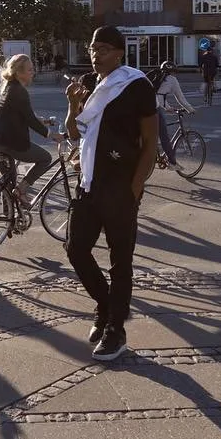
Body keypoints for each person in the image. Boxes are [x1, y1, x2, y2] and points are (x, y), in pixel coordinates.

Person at [64, 26, 158, 362]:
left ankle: (115, 329)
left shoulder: (137, 86)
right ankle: (105, 307)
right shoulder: (91, 85)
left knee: (121, 261)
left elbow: (150, 142)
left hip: (121, 184)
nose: (95, 54)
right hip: (89, 181)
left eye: (103, 49)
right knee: (76, 250)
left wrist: (136, 186)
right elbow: (74, 132)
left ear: (119, 52)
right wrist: (74, 104)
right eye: (92, 48)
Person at [0, 54, 56, 205]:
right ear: (19, 72)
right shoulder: (19, 90)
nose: (33, 72)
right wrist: (52, 135)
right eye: (30, 70)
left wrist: (42, 120)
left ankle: (9, 220)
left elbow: (21, 112)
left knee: (8, 182)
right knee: (45, 158)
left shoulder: (7, 86)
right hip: (7, 143)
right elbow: (29, 119)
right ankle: (21, 190)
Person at [149, 59, 195, 166]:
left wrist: (168, 107)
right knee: (164, 136)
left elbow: (159, 95)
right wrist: (190, 109)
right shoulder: (172, 80)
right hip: (154, 107)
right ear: (173, 71)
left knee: (155, 132)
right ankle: (172, 163)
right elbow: (180, 98)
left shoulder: (157, 78)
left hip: (145, 104)